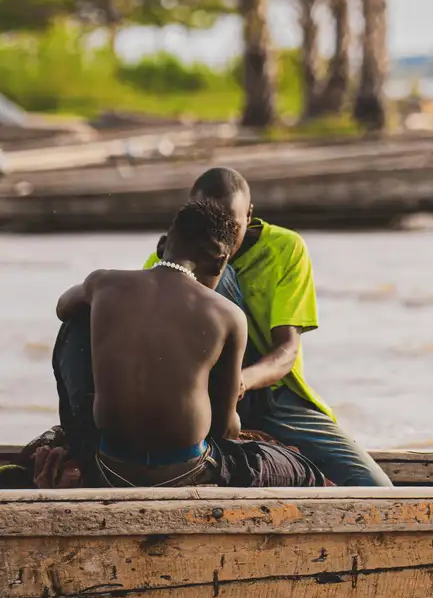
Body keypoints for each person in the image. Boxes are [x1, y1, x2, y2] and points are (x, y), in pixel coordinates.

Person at [144, 168, 391, 487]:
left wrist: (238, 383)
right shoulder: (166, 261)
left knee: (374, 487)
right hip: (199, 399)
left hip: (273, 396)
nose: (220, 239)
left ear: (249, 215)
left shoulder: (285, 248)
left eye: (231, 227)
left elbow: (286, 351)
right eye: (207, 223)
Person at [55, 198, 326, 487]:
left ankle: (81, 444)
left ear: (163, 246)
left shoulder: (103, 283)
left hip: (109, 465)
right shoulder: (228, 315)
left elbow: (62, 308)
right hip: (185, 471)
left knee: (74, 325)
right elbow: (223, 428)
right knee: (302, 469)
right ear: (222, 260)